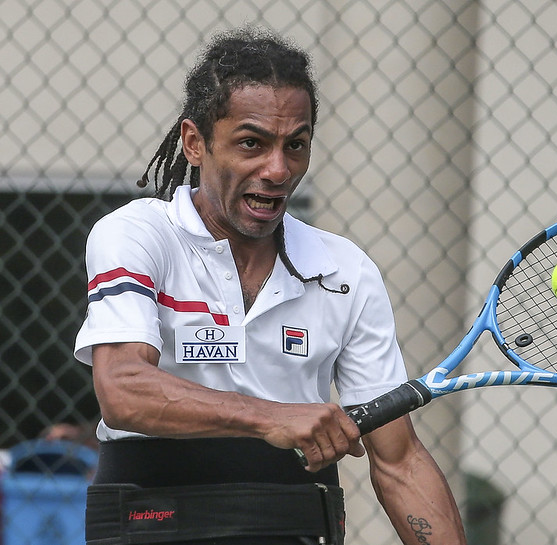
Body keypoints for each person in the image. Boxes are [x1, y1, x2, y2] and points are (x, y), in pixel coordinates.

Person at [74, 26, 466, 545]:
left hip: (296, 522)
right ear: (195, 143)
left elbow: (399, 461)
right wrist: (269, 418)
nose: (278, 169)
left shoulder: (345, 270)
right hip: (151, 519)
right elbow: (122, 389)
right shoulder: (136, 235)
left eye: (295, 145)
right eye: (252, 143)